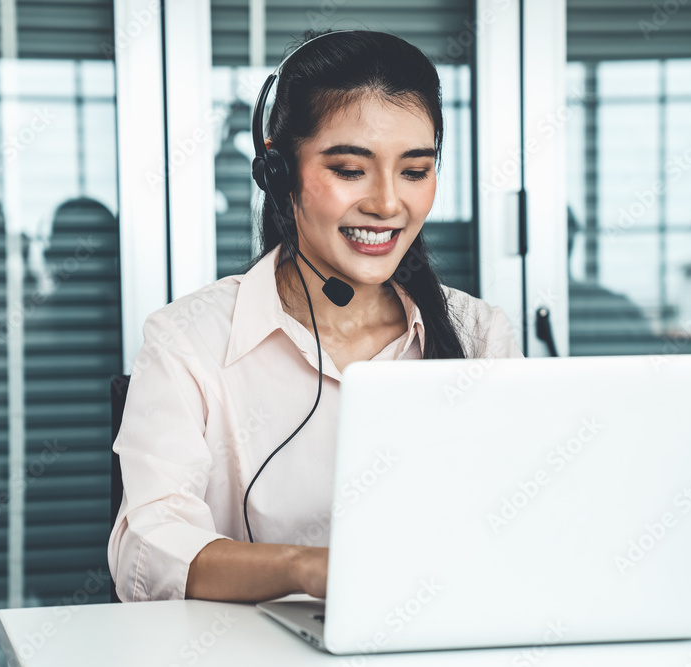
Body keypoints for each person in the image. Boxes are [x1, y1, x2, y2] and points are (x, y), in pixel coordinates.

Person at [108, 29, 523, 604]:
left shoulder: (480, 337)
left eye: (414, 170)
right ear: (279, 173)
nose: (386, 203)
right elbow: (149, 547)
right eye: (350, 170)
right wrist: (305, 568)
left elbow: (522, 527)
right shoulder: (189, 340)